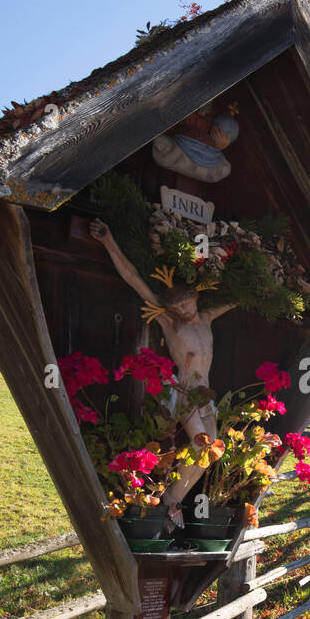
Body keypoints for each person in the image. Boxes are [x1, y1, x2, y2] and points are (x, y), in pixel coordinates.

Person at [90, 218, 235, 527]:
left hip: (206, 394)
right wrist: (108, 241)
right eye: (178, 307)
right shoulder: (171, 324)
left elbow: (239, 297)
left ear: (196, 296)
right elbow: (133, 278)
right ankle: (169, 501)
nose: (184, 311)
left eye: (187, 303)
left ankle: (173, 502)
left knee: (212, 453)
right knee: (200, 443)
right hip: (183, 391)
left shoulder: (207, 318)